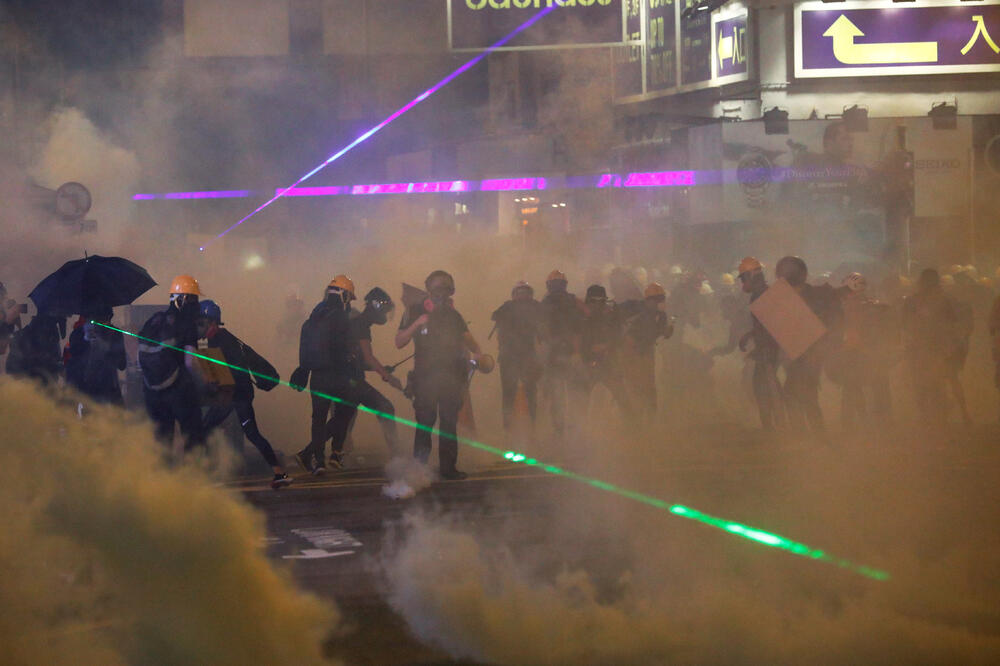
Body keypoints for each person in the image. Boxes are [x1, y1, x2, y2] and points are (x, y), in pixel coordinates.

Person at [395, 270, 485, 480]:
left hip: (451, 378)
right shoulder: (415, 311)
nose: (440, 294)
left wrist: (479, 354)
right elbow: (399, 341)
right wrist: (418, 324)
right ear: (428, 290)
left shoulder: (453, 315)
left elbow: (468, 338)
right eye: (437, 289)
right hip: (425, 378)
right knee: (425, 422)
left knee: (448, 423)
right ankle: (419, 469)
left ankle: (448, 469)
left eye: (445, 290)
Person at [196, 300, 292, 489]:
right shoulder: (224, 338)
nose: (199, 326)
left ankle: (204, 475)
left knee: (204, 430)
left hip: (234, 394)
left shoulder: (218, 341)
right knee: (251, 433)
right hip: (238, 393)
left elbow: (222, 372)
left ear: (212, 322)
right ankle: (279, 473)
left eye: (202, 323)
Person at [324, 286, 404, 468]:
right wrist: (388, 377)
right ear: (376, 306)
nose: (385, 314)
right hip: (351, 382)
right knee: (385, 408)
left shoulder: (358, 323)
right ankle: (397, 455)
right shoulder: (360, 324)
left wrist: (382, 369)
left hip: (345, 379)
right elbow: (368, 357)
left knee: (340, 420)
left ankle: (316, 453)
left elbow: (358, 360)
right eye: (384, 309)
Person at [292, 275, 360, 475]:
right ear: (345, 296)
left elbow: (305, 348)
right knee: (343, 413)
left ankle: (318, 461)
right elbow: (346, 349)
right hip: (338, 375)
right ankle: (334, 454)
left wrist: (304, 370)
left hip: (317, 376)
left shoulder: (314, 317)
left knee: (318, 418)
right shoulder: (341, 317)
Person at [775, 256, 842, 442]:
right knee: (800, 396)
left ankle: (811, 438)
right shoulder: (793, 298)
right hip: (798, 356)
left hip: (811, 356)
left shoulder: (815, 298)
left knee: (803, 396)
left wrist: (818, 353)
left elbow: (830, 327)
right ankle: (810, 437)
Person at [137, 275, 207, 451]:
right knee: (193, 439)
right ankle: (193, 477)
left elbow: (139, 358)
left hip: (152, 392)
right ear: (183, 299)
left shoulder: (154, 320)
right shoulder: (187, 323)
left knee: (162, 443)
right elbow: (190, 362)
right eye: (194, 298)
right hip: (180, 391)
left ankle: (163, 478)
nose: (196, 304)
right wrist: (205, 384)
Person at [901, 269, 959, 435]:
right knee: (931, 384)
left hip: (929, 348)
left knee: (926, 384)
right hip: (928, 348)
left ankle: (931, 417)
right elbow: (951, 325)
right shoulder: (940, 301)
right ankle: (933, 417)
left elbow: (905, 324)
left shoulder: (918, 301)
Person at [736, 257, 785, 432]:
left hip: (768, 349)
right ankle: (775, 425)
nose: (742, 283)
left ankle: (776, 427)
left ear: (751, 275)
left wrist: (761, 348)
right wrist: (750, 336)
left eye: (743, 278)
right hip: (768, 348)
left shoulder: (761, 294)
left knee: (765, 387)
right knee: (766, 385)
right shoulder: (764, 292)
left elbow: (769, 326)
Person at [491, 281, 543, 433]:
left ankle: (525, 427)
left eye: (524, 292)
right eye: (520, 293)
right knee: (515, 393)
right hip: (513, 358)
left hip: (523, 357)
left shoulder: (530, 307)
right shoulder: (510, 307)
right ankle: (511, 428)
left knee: (525, 393)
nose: (522, 296)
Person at [539, 269, 584, 440]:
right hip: (561, 354)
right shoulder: (572, 302)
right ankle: (565, 431)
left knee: (561, 394)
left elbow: (578, 328)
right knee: (563, 394)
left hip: (561, 354)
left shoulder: (546, 303)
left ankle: (563, 431)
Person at [579, 284, 633, 420]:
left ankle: (634, 431)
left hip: (609, 363)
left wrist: (607, 346)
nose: (596, 305)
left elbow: (620, 337)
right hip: (588, 363)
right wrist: (588, 350)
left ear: (604, 301)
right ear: (588, 301)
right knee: (580, 401)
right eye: (593, 301)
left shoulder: (612, 317)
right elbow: (577, 339)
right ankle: (576, 433)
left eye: (600, 301)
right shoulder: (581, 317)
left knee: (623, 400)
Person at [622, 282, 673, 420]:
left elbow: (662, 332)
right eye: (658, 300)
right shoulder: (638, 314)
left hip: (647, 351)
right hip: (632, 352)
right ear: (649, 301)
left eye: (662, 299)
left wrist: (667, 332)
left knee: (649, 384)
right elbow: (627, 336)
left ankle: (650, 416)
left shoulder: (661, 315)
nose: (661, 303)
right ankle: (632, 416)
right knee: (634, 384)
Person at [64, 305, 126, 406]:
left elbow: (73, 362)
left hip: (88, 390)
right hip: (108, 390)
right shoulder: (115, 333)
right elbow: (122, 364)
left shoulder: (77, 333)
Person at [5, 311, 65, 385]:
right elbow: (12, 371)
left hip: (46, 386)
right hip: (29, 388)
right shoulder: (21, 339)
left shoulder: (51, 338)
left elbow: (56, 360)